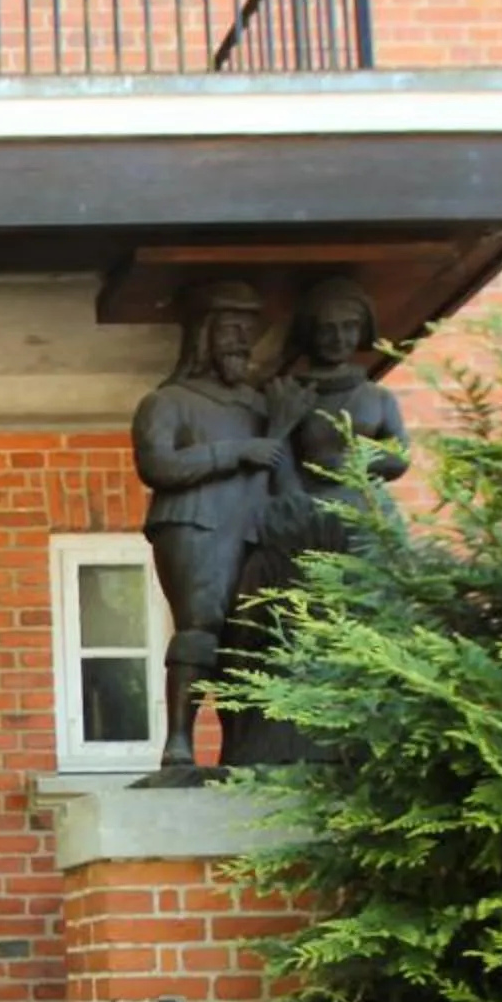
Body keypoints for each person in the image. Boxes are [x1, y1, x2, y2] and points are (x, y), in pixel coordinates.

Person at [218, 273, 411, 766]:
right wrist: (293, 498)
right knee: (288, 613)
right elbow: (276, 454)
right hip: (303, 512)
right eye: (327, 328)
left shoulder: (375, 396)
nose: (338, 338)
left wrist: (364, 464)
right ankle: (286, 729)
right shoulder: (291, 392)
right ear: (309, 331)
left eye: (349, 327)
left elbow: (399, 454)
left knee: (375, 611)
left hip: (362, 513)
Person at [130, 276, 294, 774]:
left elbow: (283, 476)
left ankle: (240, 743)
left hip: (250, 526)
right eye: (229, 329)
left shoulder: (262, 406)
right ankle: (179, 741)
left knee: (249, 637)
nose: (241, 341)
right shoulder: (169, 401)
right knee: (201, 626)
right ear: (203, 335)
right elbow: (158, 465)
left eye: (248, 330)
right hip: (194, 522)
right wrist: (235, 452)